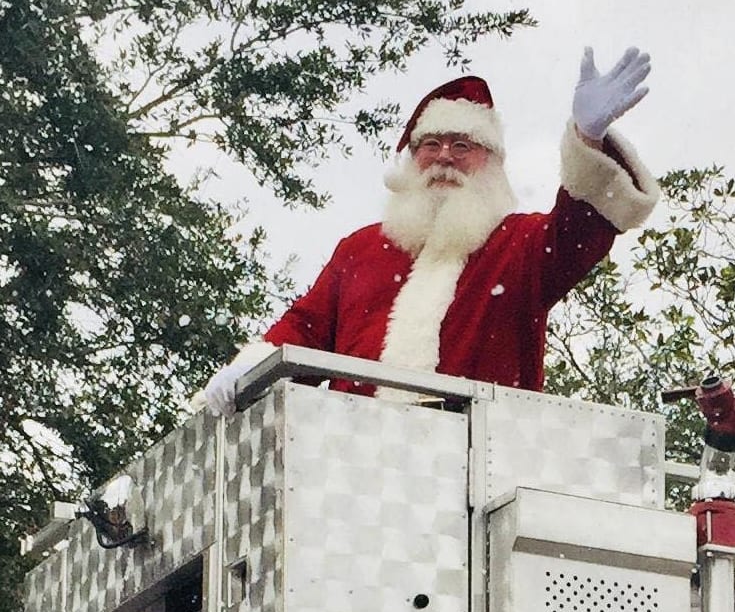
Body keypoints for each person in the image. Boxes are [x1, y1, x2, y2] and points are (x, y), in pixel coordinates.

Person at [202, 44, 660, 416]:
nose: (444, 157)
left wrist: (586, 139)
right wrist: (246, 373)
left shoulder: (517, 245)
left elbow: (579, 227)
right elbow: (304, 329)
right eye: (431, 145)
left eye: (464, 145)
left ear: (492, 163)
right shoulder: (360, 250)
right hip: (350, 469)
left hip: (476, 474)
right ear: (411, 158)